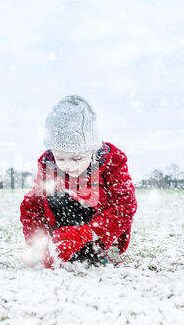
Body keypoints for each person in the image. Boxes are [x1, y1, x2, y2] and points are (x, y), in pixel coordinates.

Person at [20, 95, 137, 269]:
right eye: (61, 157)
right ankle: (59, 248)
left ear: (92, 149)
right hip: (62, 233)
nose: (68, 166)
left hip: (98, 233)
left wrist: (85, 233)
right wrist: (40, 245)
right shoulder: (48, 164)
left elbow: (125, 207)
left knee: (88, 193)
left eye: (77, 158)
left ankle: (101, 250)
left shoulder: (113, 160)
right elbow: (32, 208)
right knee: (52, 193)